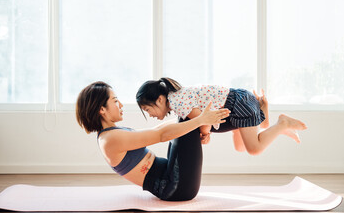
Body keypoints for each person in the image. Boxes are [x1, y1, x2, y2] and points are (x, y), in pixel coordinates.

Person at [75, 81, 230, 201]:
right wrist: (200, 120)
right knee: (189, 118)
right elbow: (160, 135)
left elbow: (159, 130)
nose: (121, 104)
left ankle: (242, 113)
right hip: (175, 188)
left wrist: (199, 120)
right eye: (115, 101)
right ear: (102, 109)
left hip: (175, 181)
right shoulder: (110, 139)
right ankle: (243, 115)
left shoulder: (111, 134)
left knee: (187, 117)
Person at [136, 77, 307, 155]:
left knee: (254, 149)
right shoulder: (178, 96)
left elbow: (204, 118)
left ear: (159, 100)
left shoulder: (177, 102)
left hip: (236, 105)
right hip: (238, 102)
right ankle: (265, 112)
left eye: (148, 109)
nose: (150, 115)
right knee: (240, 147)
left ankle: (282, 124)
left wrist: (205, 133)